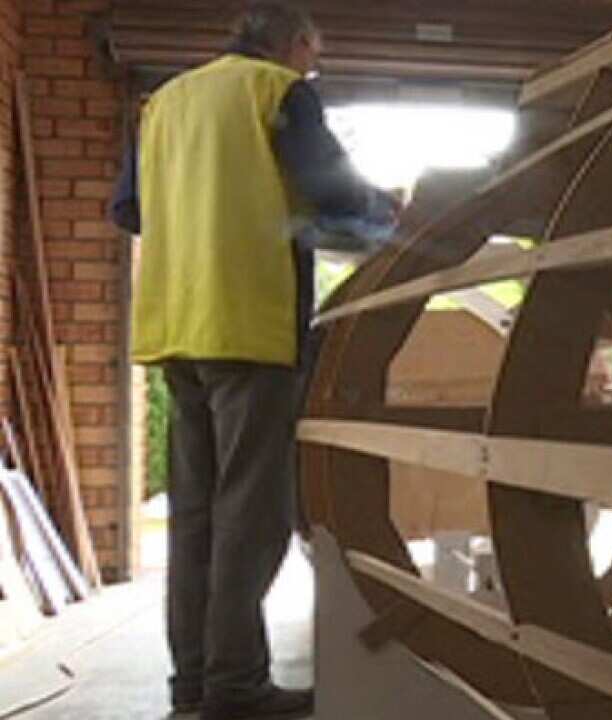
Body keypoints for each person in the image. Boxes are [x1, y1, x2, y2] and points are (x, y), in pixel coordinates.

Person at [110, 3, 398, 719]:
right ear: (296, 44)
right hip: (249, 326)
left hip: (177, 328)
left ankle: (197, 684)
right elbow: (334, 192)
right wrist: (387, 216)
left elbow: (129, 210)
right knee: (253, 516)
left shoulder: (167, 102)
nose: (313, 68)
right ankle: (236, 688)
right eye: (315, 55)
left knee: (197, 517)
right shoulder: (278, 91)